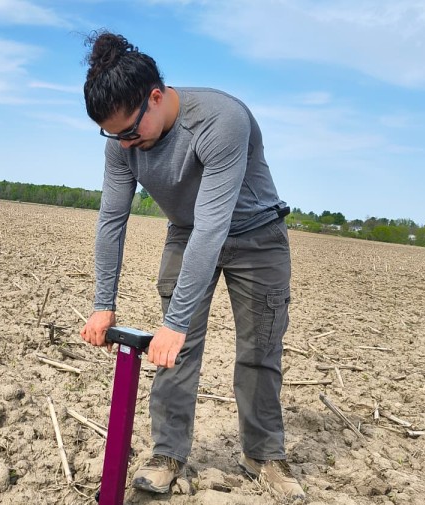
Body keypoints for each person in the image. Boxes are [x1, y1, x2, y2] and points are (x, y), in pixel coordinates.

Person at [79, 31, 305, 501]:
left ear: (155, 98)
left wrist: (177, 321)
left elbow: (213, 224)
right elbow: (111, 221)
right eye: (111, 134)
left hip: (256, 236)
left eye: (127, 132)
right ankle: (167, 453)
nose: (122, 144)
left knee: (260, 350)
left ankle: (263, 454)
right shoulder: (121, 147)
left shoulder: (221, 120)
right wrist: (104, 303)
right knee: (173, 352)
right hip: (186, 232)